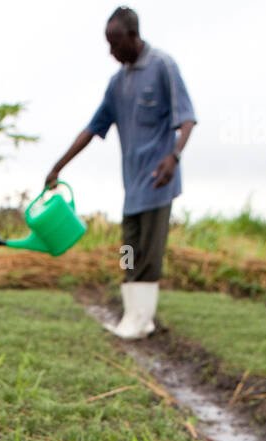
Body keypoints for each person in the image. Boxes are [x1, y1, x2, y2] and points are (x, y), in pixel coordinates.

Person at [46, 7, 196, 339]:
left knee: (148, 253)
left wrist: (174, 156)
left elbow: (187, 118)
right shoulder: (118, 83)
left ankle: (139, 320)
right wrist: (58, 165)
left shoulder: (162, 66)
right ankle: (135, 315)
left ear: (132, 36)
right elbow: (92, 129)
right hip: (132, 185)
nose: (111, 52)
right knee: (128, 252)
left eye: (114, 44)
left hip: (159, 180)